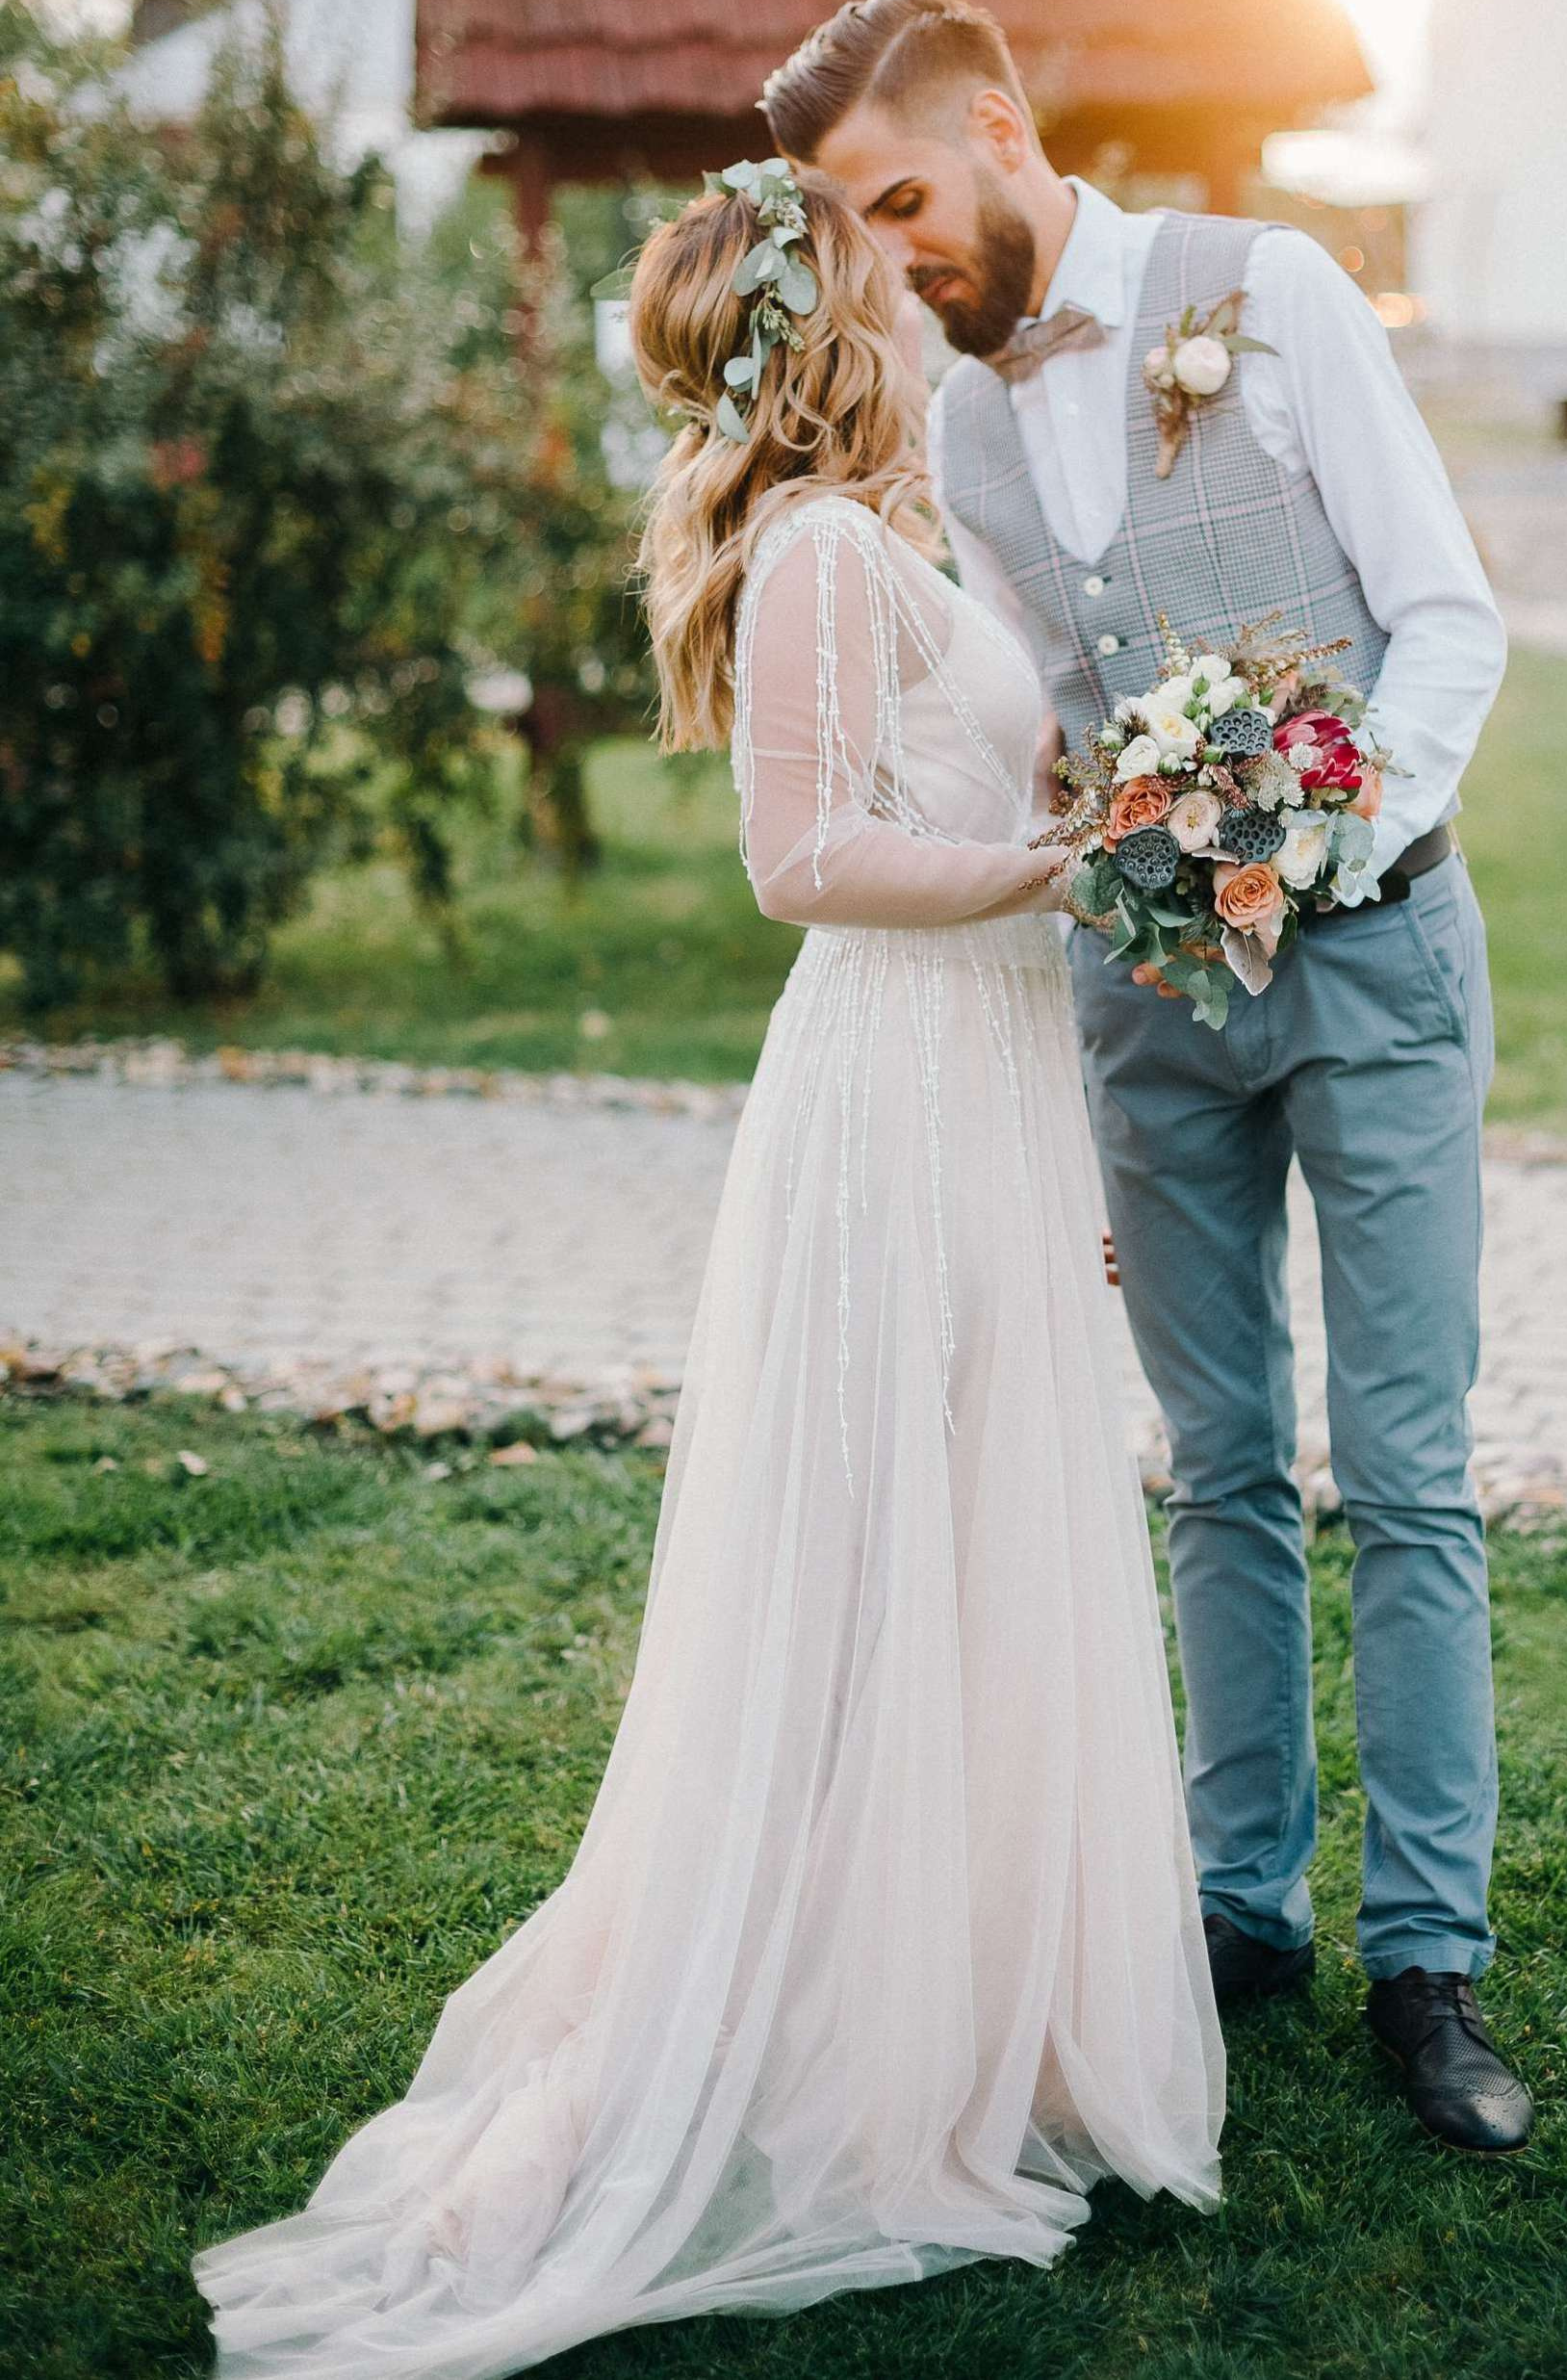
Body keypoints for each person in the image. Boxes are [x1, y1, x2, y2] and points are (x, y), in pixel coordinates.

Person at [192, 164, 1222, 2380]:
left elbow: (920, 790)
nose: (923, 290)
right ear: (830, 313)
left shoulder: (892, 537)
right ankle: (746, 2054)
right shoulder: (822, 550)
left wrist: (1106, 818)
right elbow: (800, 860)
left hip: (986, 1084)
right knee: (865, 1584)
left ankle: (942, 2008)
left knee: (966, 1549)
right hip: (889, 1088)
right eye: (885, 270)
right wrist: (1067, 863)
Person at [765, 0, 1534, 2154]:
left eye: (901, 196)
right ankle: (1234, 1904)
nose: (892, 251)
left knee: (1399, 1464)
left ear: (998, 126)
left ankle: (1427, 1957)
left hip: (1375, 958)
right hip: (1142, 1006)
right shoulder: (961, 419)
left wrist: (1323, 838)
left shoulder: (1264, 289)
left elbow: (1448, 614)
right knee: (1210, 1466)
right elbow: (1047, 715)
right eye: (855, 221)